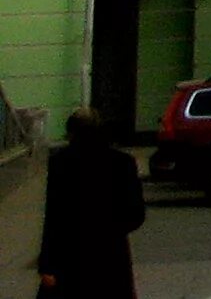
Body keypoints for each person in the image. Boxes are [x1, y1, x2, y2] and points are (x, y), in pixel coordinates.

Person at [35, 107, 143, 299]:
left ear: (71, 132)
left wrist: (47, 264)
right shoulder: (122, 162)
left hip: (69, 254)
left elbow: (54, 216)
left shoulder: (61, 162)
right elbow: (136, 214)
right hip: (111, 253)